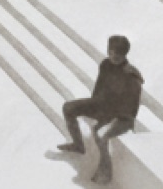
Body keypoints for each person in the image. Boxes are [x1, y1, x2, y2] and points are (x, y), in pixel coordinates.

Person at [58, 34, 143, 183]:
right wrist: (93, 105)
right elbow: (99, 88)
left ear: (125, 54)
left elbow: (131, 108)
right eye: (111, 52)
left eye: (118, 54)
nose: (114, 56)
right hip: (101, 105)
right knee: (69, 108)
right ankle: (78, 145)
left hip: (120, 115)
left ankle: (105, 172)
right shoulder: (105, 64)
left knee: (100, 132)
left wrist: (109, 119)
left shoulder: (131, 75)